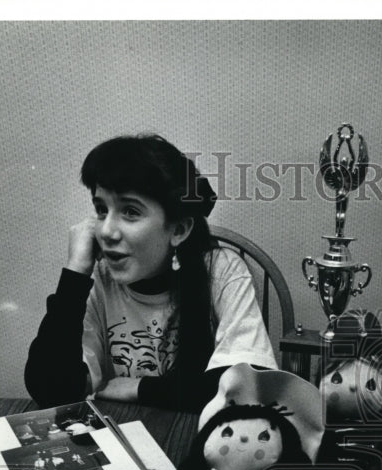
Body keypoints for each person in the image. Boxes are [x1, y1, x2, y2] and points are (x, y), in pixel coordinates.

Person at [24, 134, 277, 410]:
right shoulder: (100, 278)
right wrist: (75, 275)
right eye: (101, 209)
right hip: (121, 435)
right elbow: (51, 389)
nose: (106, 231)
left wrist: (141, 388)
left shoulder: (221, 270)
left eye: (130, 211)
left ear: (179, 229)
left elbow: (247, 388)